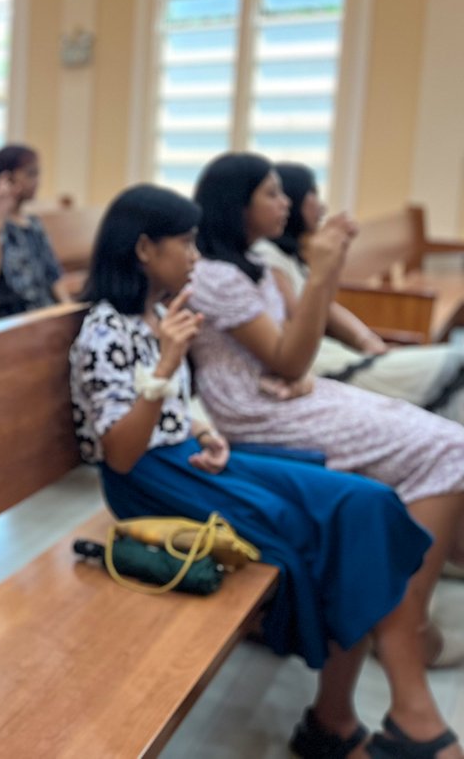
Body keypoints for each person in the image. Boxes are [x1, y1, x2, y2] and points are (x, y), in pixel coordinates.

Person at [73, 183, 458, 759]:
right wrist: (168, 364)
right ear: (145, 249)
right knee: (324, 525)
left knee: (365, 502)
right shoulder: (103, 329)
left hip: (189, 457)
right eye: (184, 244)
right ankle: (352, 722)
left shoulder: (158, 312)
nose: (195, 256)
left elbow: (171, 412)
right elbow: (122, 453)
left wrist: (204, 431)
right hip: (148, 482)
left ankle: (351, 715)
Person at [187, 152, 464, 668]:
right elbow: (289, 358)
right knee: (450, 450)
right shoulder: (216, 276)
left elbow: (296, 346)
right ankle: (407, 627)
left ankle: (413, 599)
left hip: (286, 397)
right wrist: (321, 275)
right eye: (271, 193)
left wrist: (303, 357)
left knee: (439, 434)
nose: (286, 203)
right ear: (238, 205)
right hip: (256, 415)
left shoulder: (252, 266)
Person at [253, 162, 464, 423]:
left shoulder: (289, 255)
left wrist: (368, 341)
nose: (322, 207)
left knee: (455, 368)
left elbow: (326, 306)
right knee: (456, 361)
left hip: (339, 354)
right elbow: (302, 318)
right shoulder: (267, 257)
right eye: (313, 195)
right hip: (320, 364)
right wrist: (326, 265)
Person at [0, 144, 69, 318]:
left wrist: (68, 308)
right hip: (15, 318)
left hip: (43, 313)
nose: (37, 181)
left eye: (37, 174)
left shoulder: (33, 223)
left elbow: (53, 275)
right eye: (30, 174)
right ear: (7, 179)